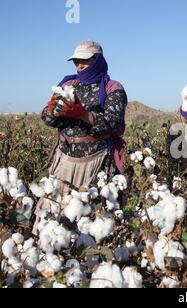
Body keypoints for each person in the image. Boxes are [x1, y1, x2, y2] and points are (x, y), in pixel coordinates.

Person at [34, 41, 128, 233]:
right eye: (77, 61)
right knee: (53, 214)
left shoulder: (113, 88)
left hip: (96, 163)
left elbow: (112, 122)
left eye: (85, 60)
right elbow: (48, 119)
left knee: (90, 218)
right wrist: (52, 111)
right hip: (65, 161)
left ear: (98, 60)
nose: (80, 65)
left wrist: (83, 114)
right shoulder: (69, 85)